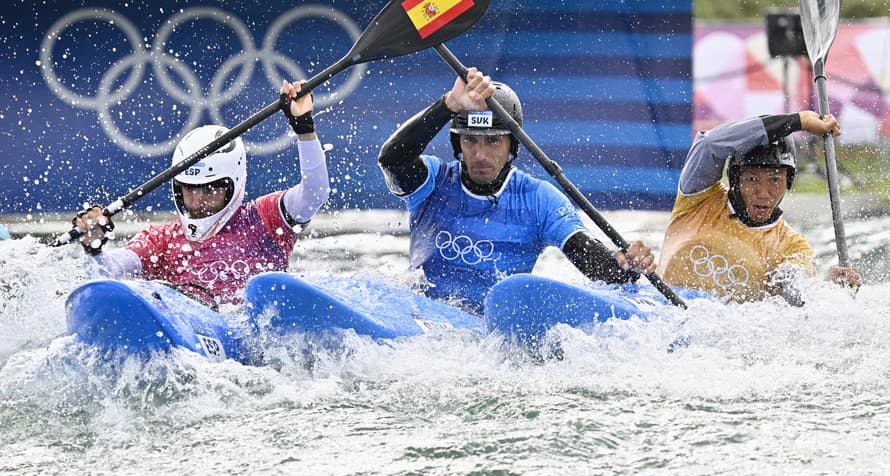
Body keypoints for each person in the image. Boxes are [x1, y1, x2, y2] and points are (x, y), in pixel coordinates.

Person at [377, 68, 657, 314]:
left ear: (512, 146)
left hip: (486, 332)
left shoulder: (539, 199)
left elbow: (590, 261)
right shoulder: (432, 181)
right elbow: (391, 160)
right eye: (470, 140)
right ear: (457, 143)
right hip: (419, 320)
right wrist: (448, 105)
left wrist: (623, 265)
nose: (480, 154)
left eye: (493, 141)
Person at [73, 80, 329, 306]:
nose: (197, 201)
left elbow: (314, 194)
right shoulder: (160, 240)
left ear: (233, 183)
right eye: (188, 189)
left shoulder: (265, 218)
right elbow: (108, 274)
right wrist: (94, 248)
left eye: (210, 189)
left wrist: (304, 129)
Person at [657, 110, 861, 305]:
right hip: (661, 314)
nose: (764, 192)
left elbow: (795, 292)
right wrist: (799, 121)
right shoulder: (698, 198)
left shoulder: (791, 246)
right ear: (736, 179)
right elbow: (710, 144)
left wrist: (827, 291)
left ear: (788, 181)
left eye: (775, 179)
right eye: (752, 178)